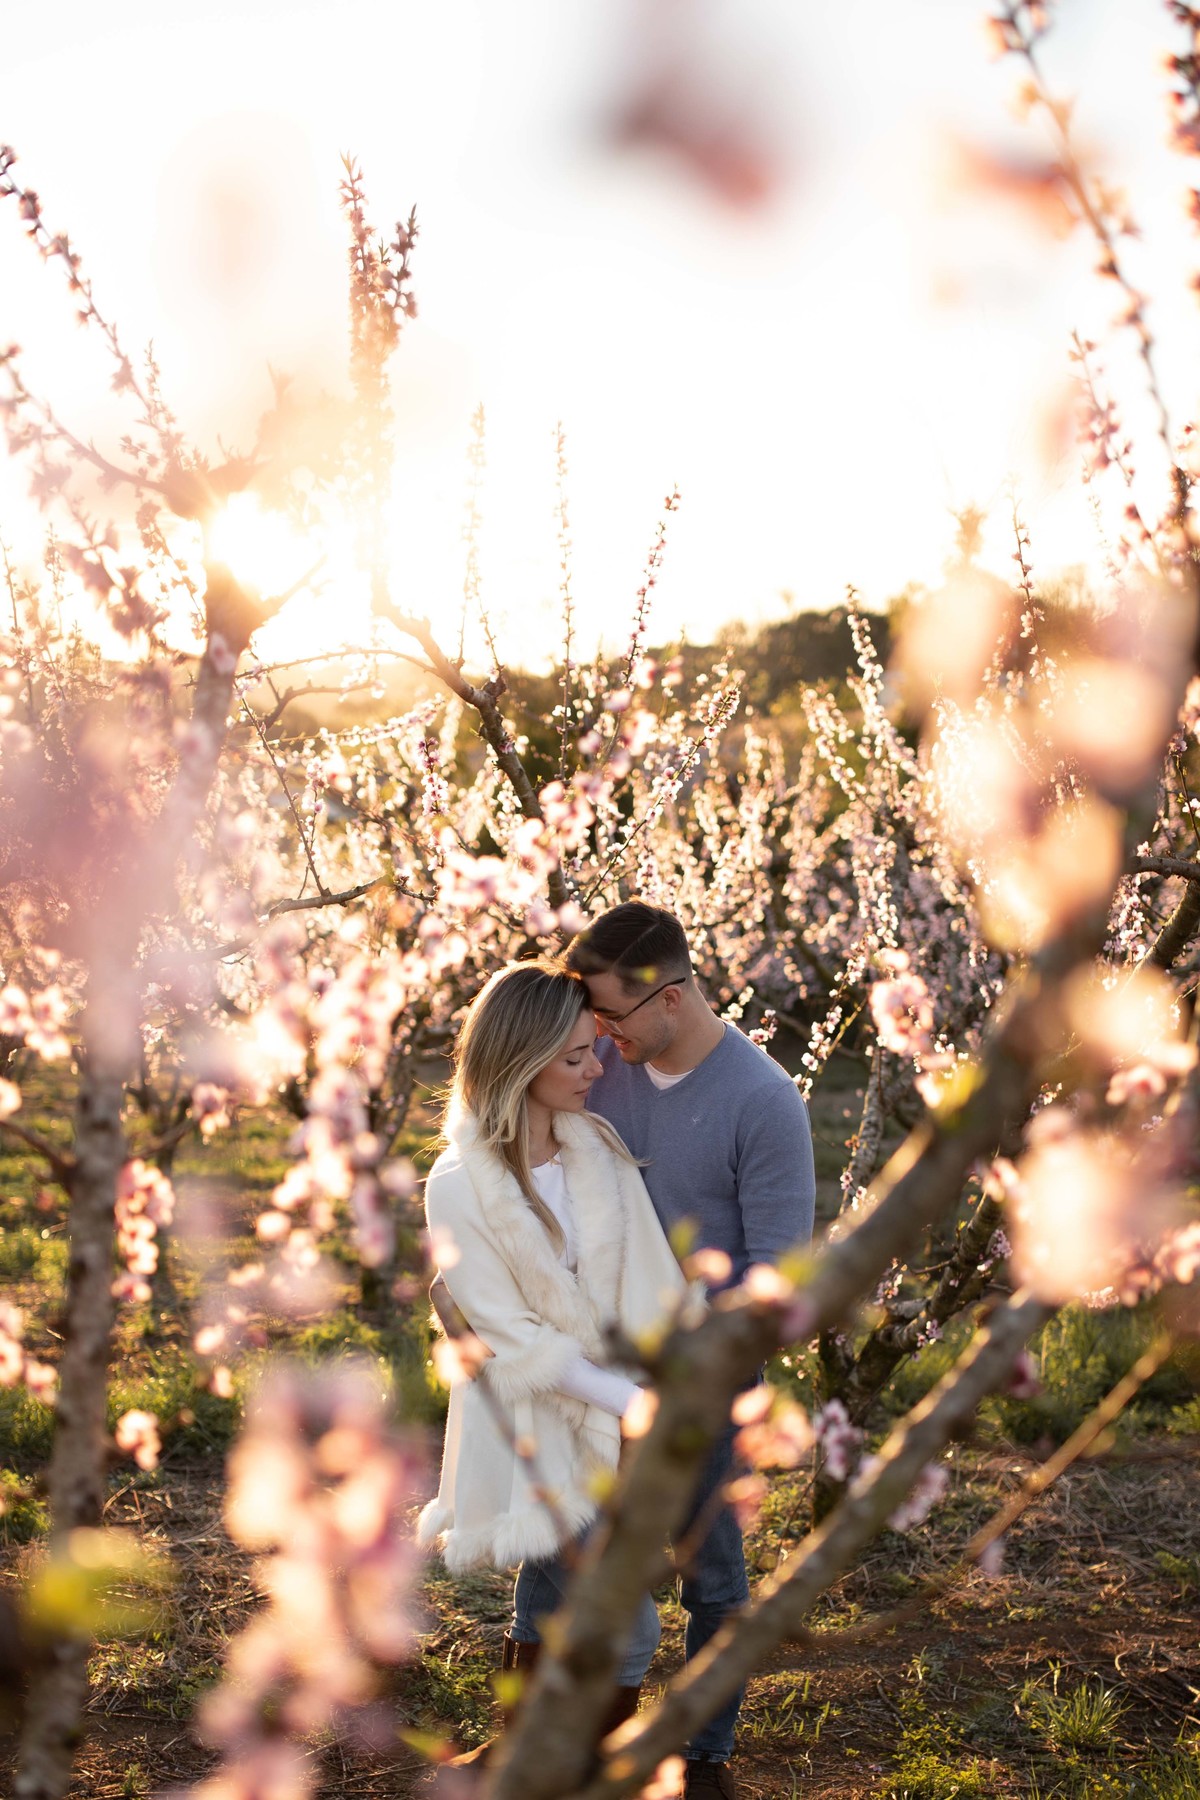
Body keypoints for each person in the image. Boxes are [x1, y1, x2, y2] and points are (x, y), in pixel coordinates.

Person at [565, 901, 816, 1800]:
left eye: (612, 1014)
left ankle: (704, 1756)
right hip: (591, 1367)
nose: (597, 1034)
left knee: (708, 1571)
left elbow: (778, 1280)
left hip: (702, 1382)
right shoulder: (600, 1072)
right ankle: (567, 1739)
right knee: (568, 1549)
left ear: (669, 998)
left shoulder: (763, 1101)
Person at [417, 959, 689, 1763]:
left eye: (591, 1049)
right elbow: (511, 1335)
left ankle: (517, 1763)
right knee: (629, 1623)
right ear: (521, 1061)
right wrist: (628, 1406)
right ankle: (550, 1763)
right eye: (573, 1057)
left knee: (554, 1588)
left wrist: (670, 1380)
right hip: (542, 1420)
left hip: (622, 1406)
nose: (594, 1069)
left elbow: (651, 1279)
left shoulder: (593, 1149)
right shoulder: (461, 1183)